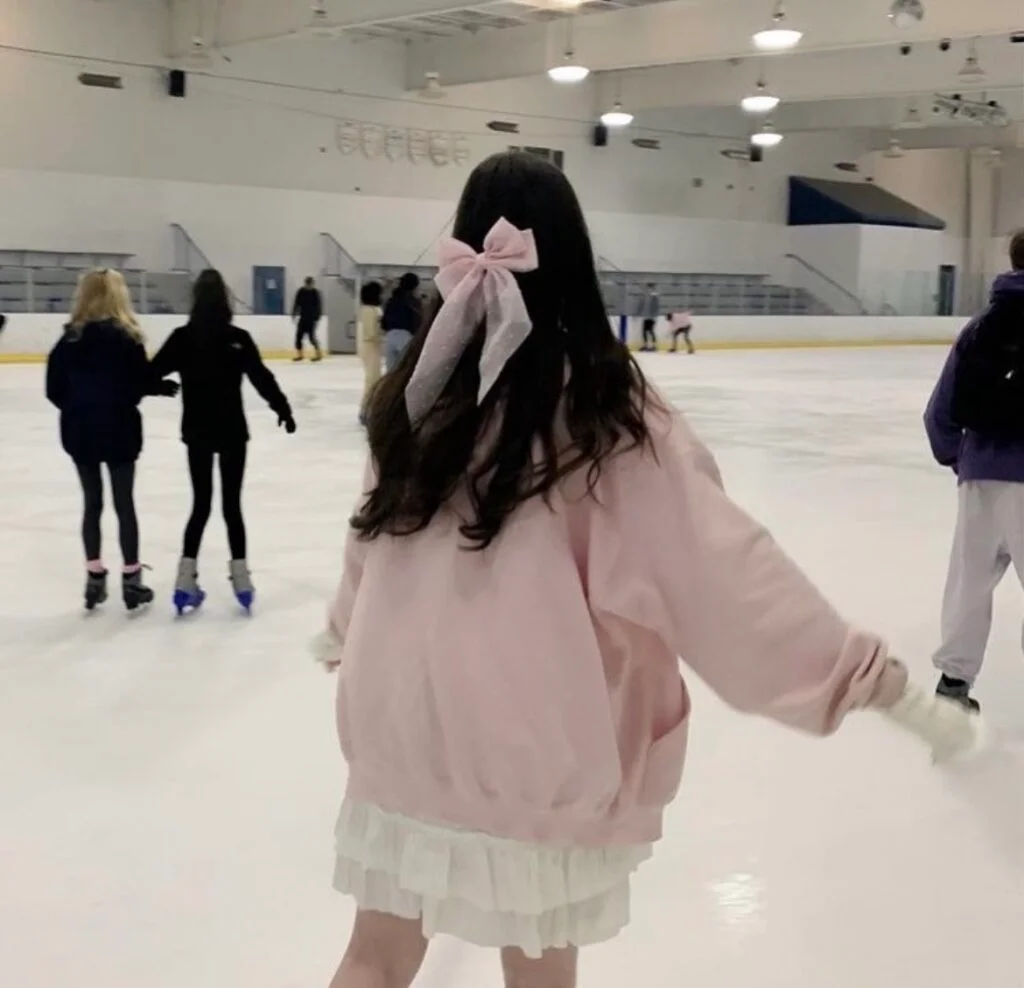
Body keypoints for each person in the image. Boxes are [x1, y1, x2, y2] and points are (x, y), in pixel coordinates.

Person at [313, 151, 979, 988]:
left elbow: (371, 535)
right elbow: (723, 571)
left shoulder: (421, 393)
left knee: (375, 957)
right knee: (538, 971)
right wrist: (874, 684)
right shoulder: (603, 416)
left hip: (398, 719)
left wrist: (343, 630)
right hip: (531, 741)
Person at [150, 269, 297, 615]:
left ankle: (185, 579)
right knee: (232, 506)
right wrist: (282, 408)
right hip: (232, 431)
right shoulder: (238, 338)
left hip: (197, 431)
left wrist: (158, 387)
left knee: (201, 504)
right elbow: (262, 377)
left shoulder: (182, 338)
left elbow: (149, 371)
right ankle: (241, 578)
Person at [924, 229, 1024, 712]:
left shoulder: (981, 326)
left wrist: (959, 459)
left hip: (980, 474)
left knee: (969, 582)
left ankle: (953, 687)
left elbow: (939, 413)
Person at [45, 269, 177, 611]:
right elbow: (138, 382)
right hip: (119, 427)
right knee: (124, 503)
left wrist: (77, 408)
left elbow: (54, 389)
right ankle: (132, 581)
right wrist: (159, 388)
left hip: (80, 430)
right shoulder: (127, 337)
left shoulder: (69, 339)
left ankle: (94, 578)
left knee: (92, 503)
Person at [381, 272, 421, 372]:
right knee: (406, 371)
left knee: (390, 372)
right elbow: (418, 322)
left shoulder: (391, 300)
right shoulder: (413, 302)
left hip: (390, 336)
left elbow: (384, 322)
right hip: (406, 337)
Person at [357, 281, 383, 425]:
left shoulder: (370, 309)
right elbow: (370, 333)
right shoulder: (369, 310)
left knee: (374, 378)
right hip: (370, 347)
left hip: (371, 347)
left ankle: (368, 409)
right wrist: (381, 330)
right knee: (372, 379)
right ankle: (365, 411)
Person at [292, 275, 323, 362]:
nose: (309, 286)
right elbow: (296, 303)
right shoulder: (301, 292)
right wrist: (294, 313)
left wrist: (317, 317)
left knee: (311, 337)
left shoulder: (315, 293)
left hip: (311, 319)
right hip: (303, 318)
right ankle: (300, 355)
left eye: (310, 284)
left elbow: (318, 306)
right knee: (298, 336)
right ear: (305, 284)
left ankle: (318, 354)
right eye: (308, 284)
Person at [639, 282, 659, 351]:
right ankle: (646, 345)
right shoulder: (647, 295)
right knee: (644, 331)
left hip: (652, 317)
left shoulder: (654, 295)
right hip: (646, 316)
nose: (648, 289)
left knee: (650, 331)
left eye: (649, 287)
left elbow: (655, 306)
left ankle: (653, 345)